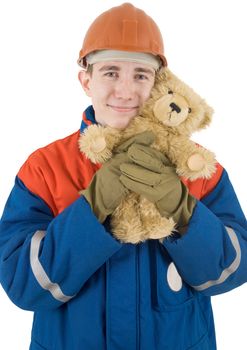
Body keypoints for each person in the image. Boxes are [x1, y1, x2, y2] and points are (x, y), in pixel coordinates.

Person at [0, 2, 246, 349]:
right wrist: (92, 208)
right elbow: (23, 286)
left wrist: (183, 209)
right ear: (86, 80)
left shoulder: (197, 166)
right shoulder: (44, 168)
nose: (126, 91)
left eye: (141, 75)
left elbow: (231, 272)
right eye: (111, 72)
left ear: (159, 84)